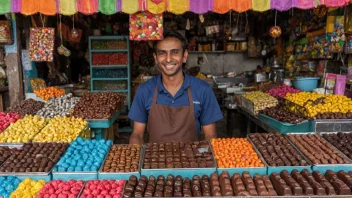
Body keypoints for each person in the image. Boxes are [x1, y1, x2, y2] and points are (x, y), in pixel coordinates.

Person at [128, 30, 223, 144]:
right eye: (162, 53)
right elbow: (137, 134)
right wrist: (135, 152)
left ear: (184, 56)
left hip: (192, 160)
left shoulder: (202, 89)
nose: (168, 59)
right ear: (156, 58)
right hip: (154, 160)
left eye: (175, 52)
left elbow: (210, 135)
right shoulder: (145, 90)